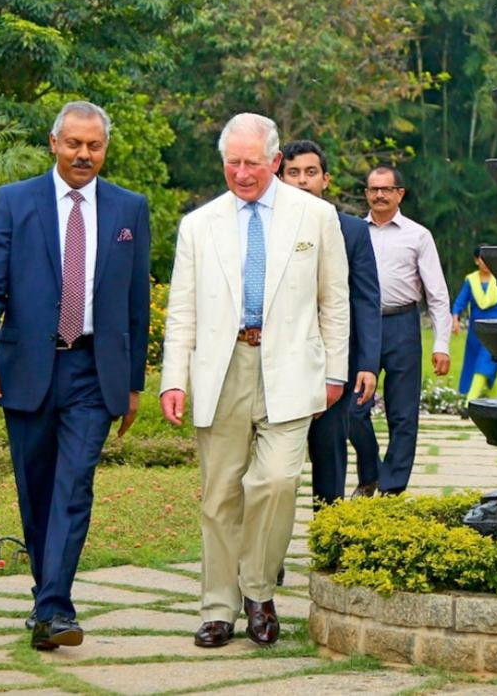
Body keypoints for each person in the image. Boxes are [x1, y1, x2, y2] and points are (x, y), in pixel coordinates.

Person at [159, 113, 350, 648]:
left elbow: (334, 300)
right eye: (232, 162)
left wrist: (335, 369)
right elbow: (182, 311)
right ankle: (219, 607)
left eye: (252, 162)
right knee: (219, 495)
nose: (242, 173)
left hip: (290, 368)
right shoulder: (199, 224)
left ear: (274, 161)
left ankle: (259, 591)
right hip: (222, 369)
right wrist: (173, 378)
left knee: (277, 482)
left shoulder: (315, 217)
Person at [0, 101, 151, 650]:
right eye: (74, 143)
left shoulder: (129, 208)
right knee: (37, 491)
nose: (83, 154)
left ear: (105, 149)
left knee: (74, 487)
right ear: (54, 143)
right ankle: (46, 599)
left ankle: (56, 610)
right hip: (26, 368)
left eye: (94, 146)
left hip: (94, 371)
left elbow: (136, 301)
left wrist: (133, 381)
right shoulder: (16, 201)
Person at [278, 140, 381, 505]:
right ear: (280, 177)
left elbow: (367, 300)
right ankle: (268, 551)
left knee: (329, 454)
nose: (302, 181)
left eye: (310, 172)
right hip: (279, 360)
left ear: (326, 179)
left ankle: (329, 536)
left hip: (334, 361)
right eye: (293, 173)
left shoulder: (352, 230)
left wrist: (367, 363)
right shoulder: (268, 227)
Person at [349, 165, 451, 495]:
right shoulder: (351, 232)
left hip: (403, 326)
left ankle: (392, 486)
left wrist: (442, 344)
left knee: (403, 412)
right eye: (373, 189)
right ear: (366, 194)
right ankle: (371, 471)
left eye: (386, 189)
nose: (379, 195)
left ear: (399, 194)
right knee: (352, 408)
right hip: (361, 326)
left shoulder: (417, 235)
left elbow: (437, 294)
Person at [452, 246, 497, 403]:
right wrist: (455, 318)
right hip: (477, 332)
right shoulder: (471, 280)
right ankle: (496, 400)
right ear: (476, 260)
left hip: (496, 332)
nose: (486, 263)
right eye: (482, 258)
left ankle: (469, 402)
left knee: (484, 363)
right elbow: (460, 301)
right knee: (484, 366)